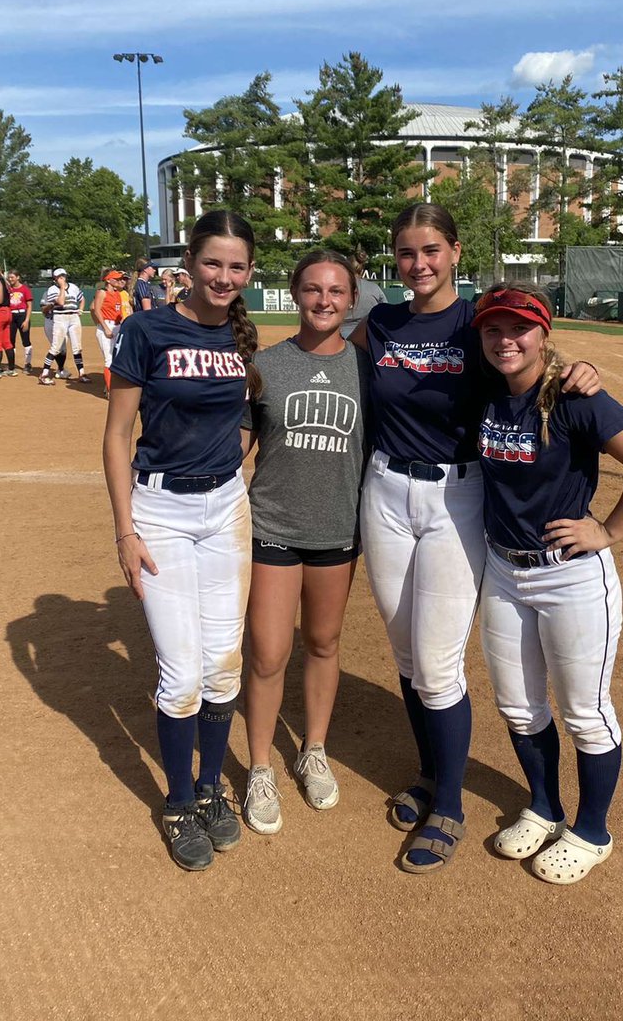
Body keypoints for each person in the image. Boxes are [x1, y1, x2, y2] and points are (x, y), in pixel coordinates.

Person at [351, 203, 599, 874]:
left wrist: (579, 370)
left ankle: (450, 808)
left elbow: (526, 355)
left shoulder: (474, 321)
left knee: (436, 663)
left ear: (454, 252)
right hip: (385, 491)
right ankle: (431, 774)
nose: (418, 264)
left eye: (430, 250)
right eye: (406, 253)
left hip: (454, 497)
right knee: (404, 654)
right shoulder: (379, 323)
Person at [473, 284, 623, 883]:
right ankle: (543, 804)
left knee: (585, 712)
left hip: (571, 578)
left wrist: (607, 530)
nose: (506, 340)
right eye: (493, 330)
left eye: (519, 329)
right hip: (505, 572)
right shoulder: (483, 391)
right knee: (518, 704)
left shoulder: (572, 396)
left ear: (543, 333)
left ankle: (592, 830)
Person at [102, 210, 259, 871]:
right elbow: (115, 436)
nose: (223, 277)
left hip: (225, 508)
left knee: (224, 666)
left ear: (248, 272)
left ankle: (207, 788)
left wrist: (234, 469)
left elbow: (247, 418)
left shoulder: (242, 337)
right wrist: (125, 529)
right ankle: (175, 802)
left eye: (236, 266)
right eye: (212, 263)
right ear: (189, 264)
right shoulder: (146, 328)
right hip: (161, 510)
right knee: (180, 675)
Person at [240, 249, 368, 834]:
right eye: (313, 289)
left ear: (352, 298)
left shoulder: (368, 369)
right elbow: (234, 447)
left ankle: (313, 749)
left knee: (322, 642)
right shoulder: (266, 364)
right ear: (295, 294)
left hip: (337, 530)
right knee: (268, 653)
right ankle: (260, 766)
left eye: (336, 291)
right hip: (272, 527)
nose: (325, 301)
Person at [37, 269, 91, 385]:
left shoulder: (73, 287)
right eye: (58, 277)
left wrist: (80, 310)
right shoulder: (52, 289)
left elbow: (82, 299)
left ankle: (81, 373)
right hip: (60, 318)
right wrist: (62, 287)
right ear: (55, 279)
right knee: (56, 347)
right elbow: (61, 302)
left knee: (77, 347)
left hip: (73, 318)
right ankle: (44, 374)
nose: (61, 278)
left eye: (63, 276)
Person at [91, 269, 126, 395]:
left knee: (117, 358)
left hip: (117, 326)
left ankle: (109, 386)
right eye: (116, 279)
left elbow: (119, 313)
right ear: (108, 280)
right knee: (109, 359)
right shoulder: (102, 292)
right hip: (105, 326)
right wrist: (105, 327)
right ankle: (111, 391)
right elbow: (96, 310)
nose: (118, 281)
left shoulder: (117, 294)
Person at [340, 248, 386, 338]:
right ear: (362, 269)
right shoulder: (374, 288)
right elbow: (386, 312)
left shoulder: (336, 288)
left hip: (338, 337)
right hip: (368, 337)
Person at [7, 271, 34, 373]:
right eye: (9, 278)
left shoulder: (24, 289)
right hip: (11, 316)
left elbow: (29, 306)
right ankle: (11, 364)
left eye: (12, 277)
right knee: (11, 341)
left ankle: (27, 364)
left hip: (22, 315)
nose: (10, 279)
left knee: (26, 340)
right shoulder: (8, 289)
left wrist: (26, 320)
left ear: (18, 277)